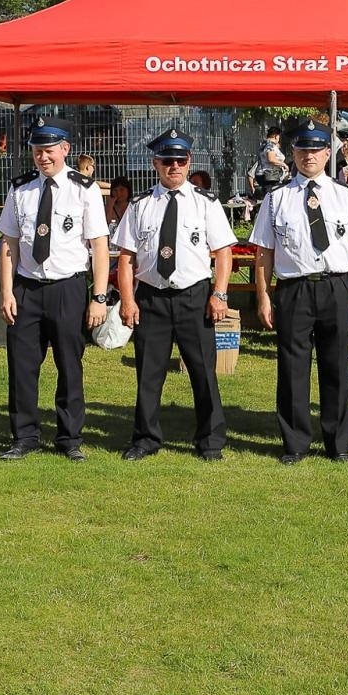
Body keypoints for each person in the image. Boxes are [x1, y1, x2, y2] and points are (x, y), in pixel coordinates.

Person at [251, 121, 348, 463]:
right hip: (294, 289)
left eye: (316, 149)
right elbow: (264, 253)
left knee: (336, 367)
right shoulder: (277, 199)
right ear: (293, 153)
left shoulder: (347, 197)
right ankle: (295, 443)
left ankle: (338, 444)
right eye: (303, 149)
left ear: (328, 152)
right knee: (292, 368)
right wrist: (263, 296)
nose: (309, 156)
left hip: (335, 287)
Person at [113, 127, 236, 461]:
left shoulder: (206, 204)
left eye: (180, 160)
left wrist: (220, 294)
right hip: (152, 298)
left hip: (194, 298)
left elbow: (223, 252)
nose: (174, 166)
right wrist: (127, 300)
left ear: (189, 161)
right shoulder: (140, 206)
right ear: (156, 163)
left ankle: (210, 441)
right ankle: (145, 439)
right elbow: (126, 258)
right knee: (148, 375)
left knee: (203, 373)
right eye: (167, 160)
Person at [0, 117, 109, 462]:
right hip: (27, 287)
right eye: (36, 150)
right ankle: (24, 436)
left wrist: (99, 296)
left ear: (65, 150)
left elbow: (99, 246)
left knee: (69, 365)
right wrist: (6, 292)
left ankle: (69, 437)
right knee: (22, 366)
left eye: (49, 150)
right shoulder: (21, 188)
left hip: (67, 287)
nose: (43, 157)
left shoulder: (83, 188)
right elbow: (9, 244)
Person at [253, 125, 288, 198]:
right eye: (279, 136)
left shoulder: (264, 144)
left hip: (262, 174)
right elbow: (271, 159)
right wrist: (284, 164)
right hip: (269, 175)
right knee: (272, 196)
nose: (279, 138)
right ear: (275, 136)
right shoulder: (270, 145)